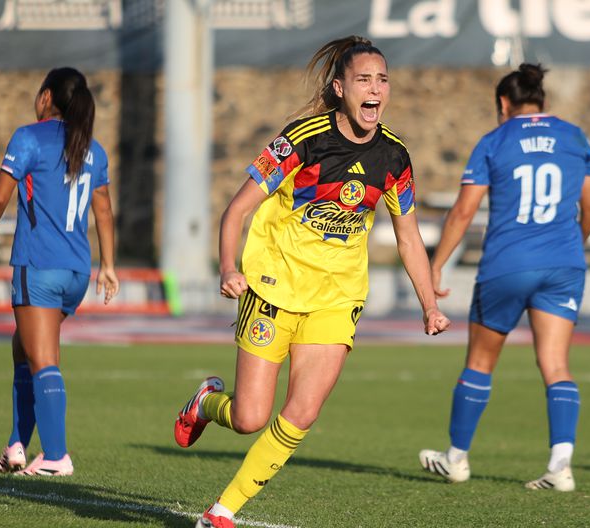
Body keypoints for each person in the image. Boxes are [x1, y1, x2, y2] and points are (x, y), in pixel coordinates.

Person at [174, 36, 451, 528]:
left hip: (336, 299)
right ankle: (206, 403)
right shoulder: (301, 140)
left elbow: (408, 236)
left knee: (301, 413)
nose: (376, 90)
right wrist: (228, 268)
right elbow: (237, 209)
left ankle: (222, 512)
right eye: (364, 80)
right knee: (249, 418)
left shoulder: (394, 157)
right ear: (340, 88)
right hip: (272, 288)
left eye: (383, 80)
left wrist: (429, 303)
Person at [418, 64, 590, 492]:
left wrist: (437, 264)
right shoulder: (575, 137)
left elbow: (463, 211)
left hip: (506, 264)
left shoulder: (494, 140)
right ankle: (561, 465)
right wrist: (573, 246)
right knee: (556, 365)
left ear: (503, 104)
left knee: (480, 364)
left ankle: (457, 459)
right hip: (564, 264)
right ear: (543, 100)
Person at [0, 67, 119, 476]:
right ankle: (17, 445)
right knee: (23, 348)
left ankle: (56, 455)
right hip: (76, 271)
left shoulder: (28, 138)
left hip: (38, 265)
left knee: (42, 360)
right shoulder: (93, 148)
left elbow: (0, 194)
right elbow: (105, 210)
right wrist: (108, 265)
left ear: (45, 97)